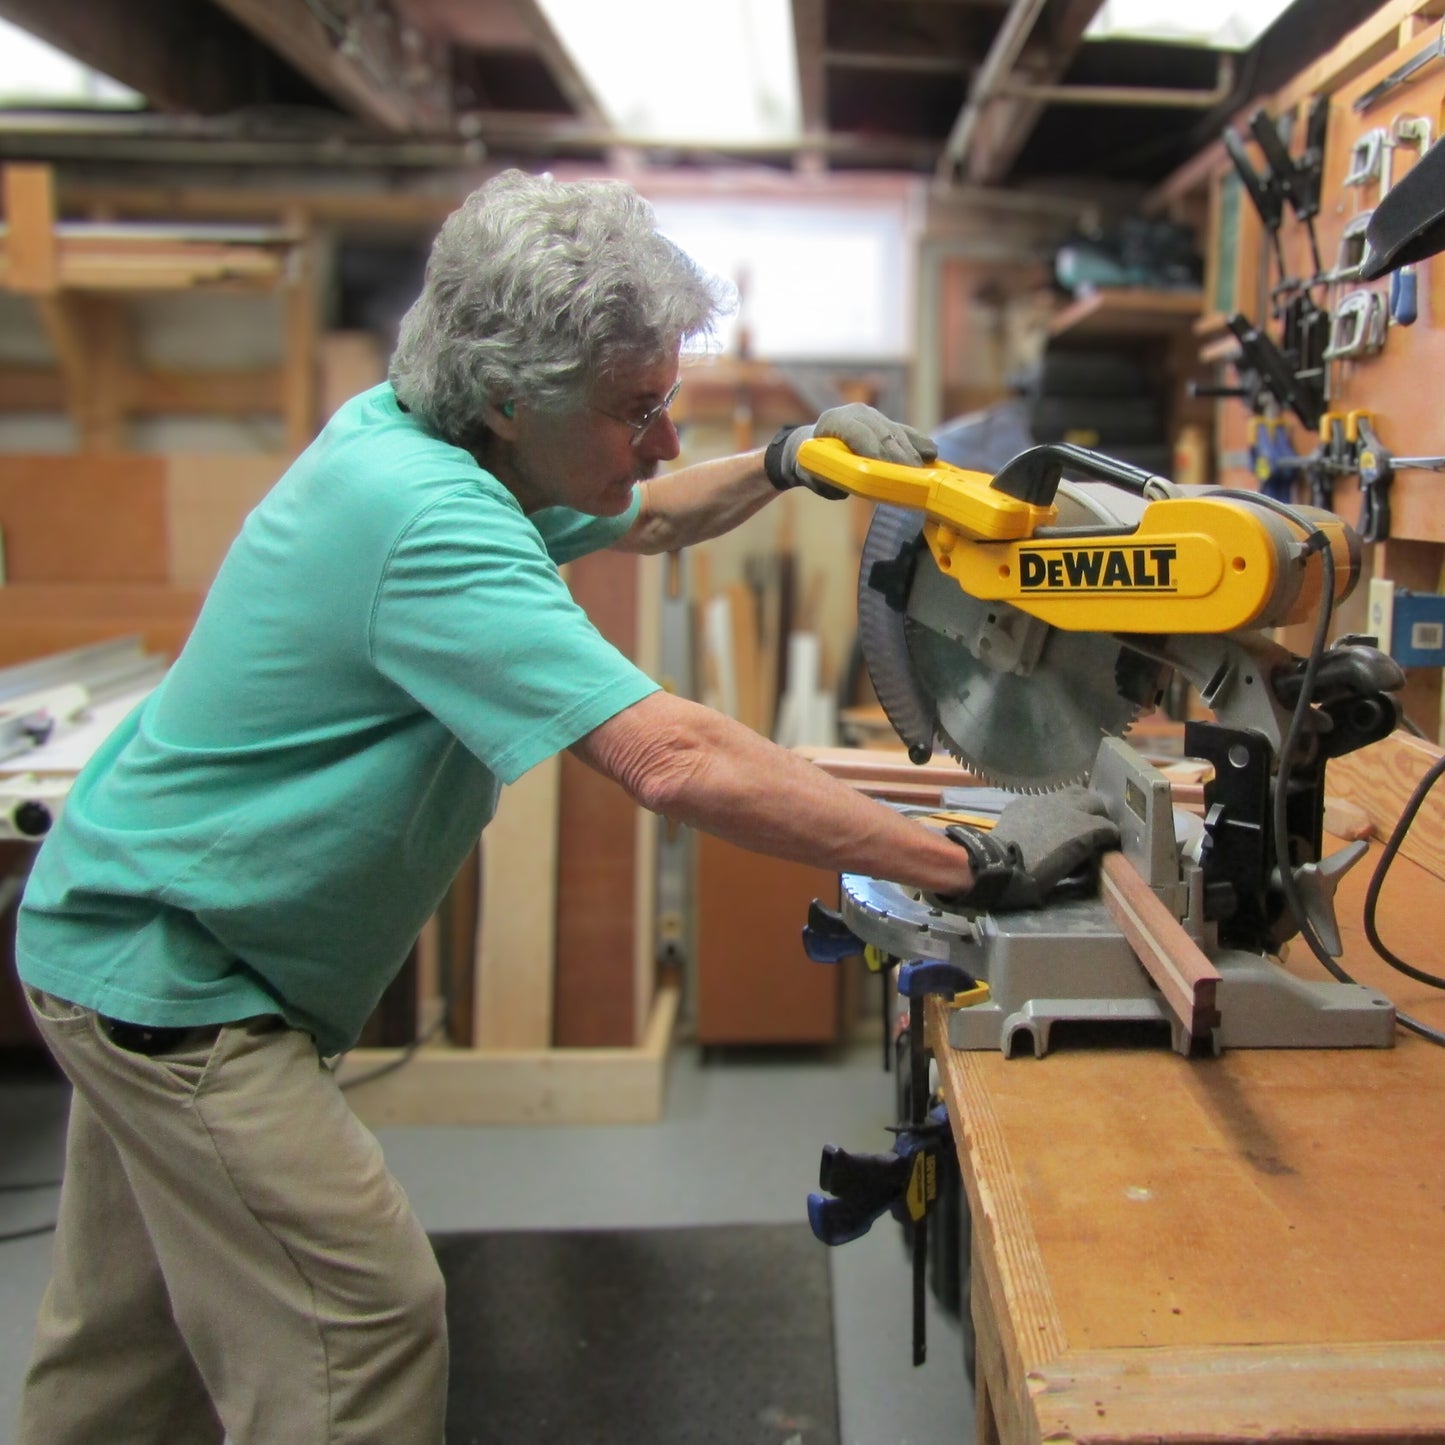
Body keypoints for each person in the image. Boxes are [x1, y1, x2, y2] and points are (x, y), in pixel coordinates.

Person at [12, 169, 1116, 1445]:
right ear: (505, 395)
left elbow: (642, 515)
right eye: (632, 408)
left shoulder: (422, 432)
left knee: (117, 1349)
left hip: (119, 936)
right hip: (183, 983)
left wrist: (789, 459)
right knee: (359, 1321)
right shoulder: (424, 516)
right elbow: (673, 756)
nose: (657, 437)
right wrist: (959, 862)